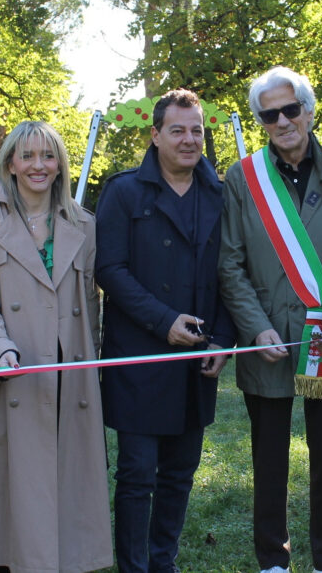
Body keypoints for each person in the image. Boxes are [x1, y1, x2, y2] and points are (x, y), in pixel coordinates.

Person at [218, 66, 322, 573]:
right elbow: (230, 262)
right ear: (261, 120)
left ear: (309, 110)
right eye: (270, 114)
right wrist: (253, 325)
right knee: (269, 462)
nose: (283, 121)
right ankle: (273, 562)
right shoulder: (242, 178)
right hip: (267, 338)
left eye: (291, 109)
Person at [0, 121, 112, 573]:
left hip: (70, 384)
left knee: (69, 497)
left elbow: (92, 306)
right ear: (11, 163)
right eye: (28, 156)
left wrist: (93, 364)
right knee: (13, 497)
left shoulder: (83, 223)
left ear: (60, 163)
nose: (38, 165)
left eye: (48, 155)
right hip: (9, 376)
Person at [96, 89, 236, 572]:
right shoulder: (123, 191)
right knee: (137, 475)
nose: (189, 139)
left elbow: (231, 274)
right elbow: (109, 269)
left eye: (197, 130)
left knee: (180, 473)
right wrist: (162, 320)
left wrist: (224, 339)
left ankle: (164, 562)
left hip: (198, 358)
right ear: (155, 135)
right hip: (140, 354)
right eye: (177, 130)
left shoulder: (220, 193)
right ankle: (133, 567)